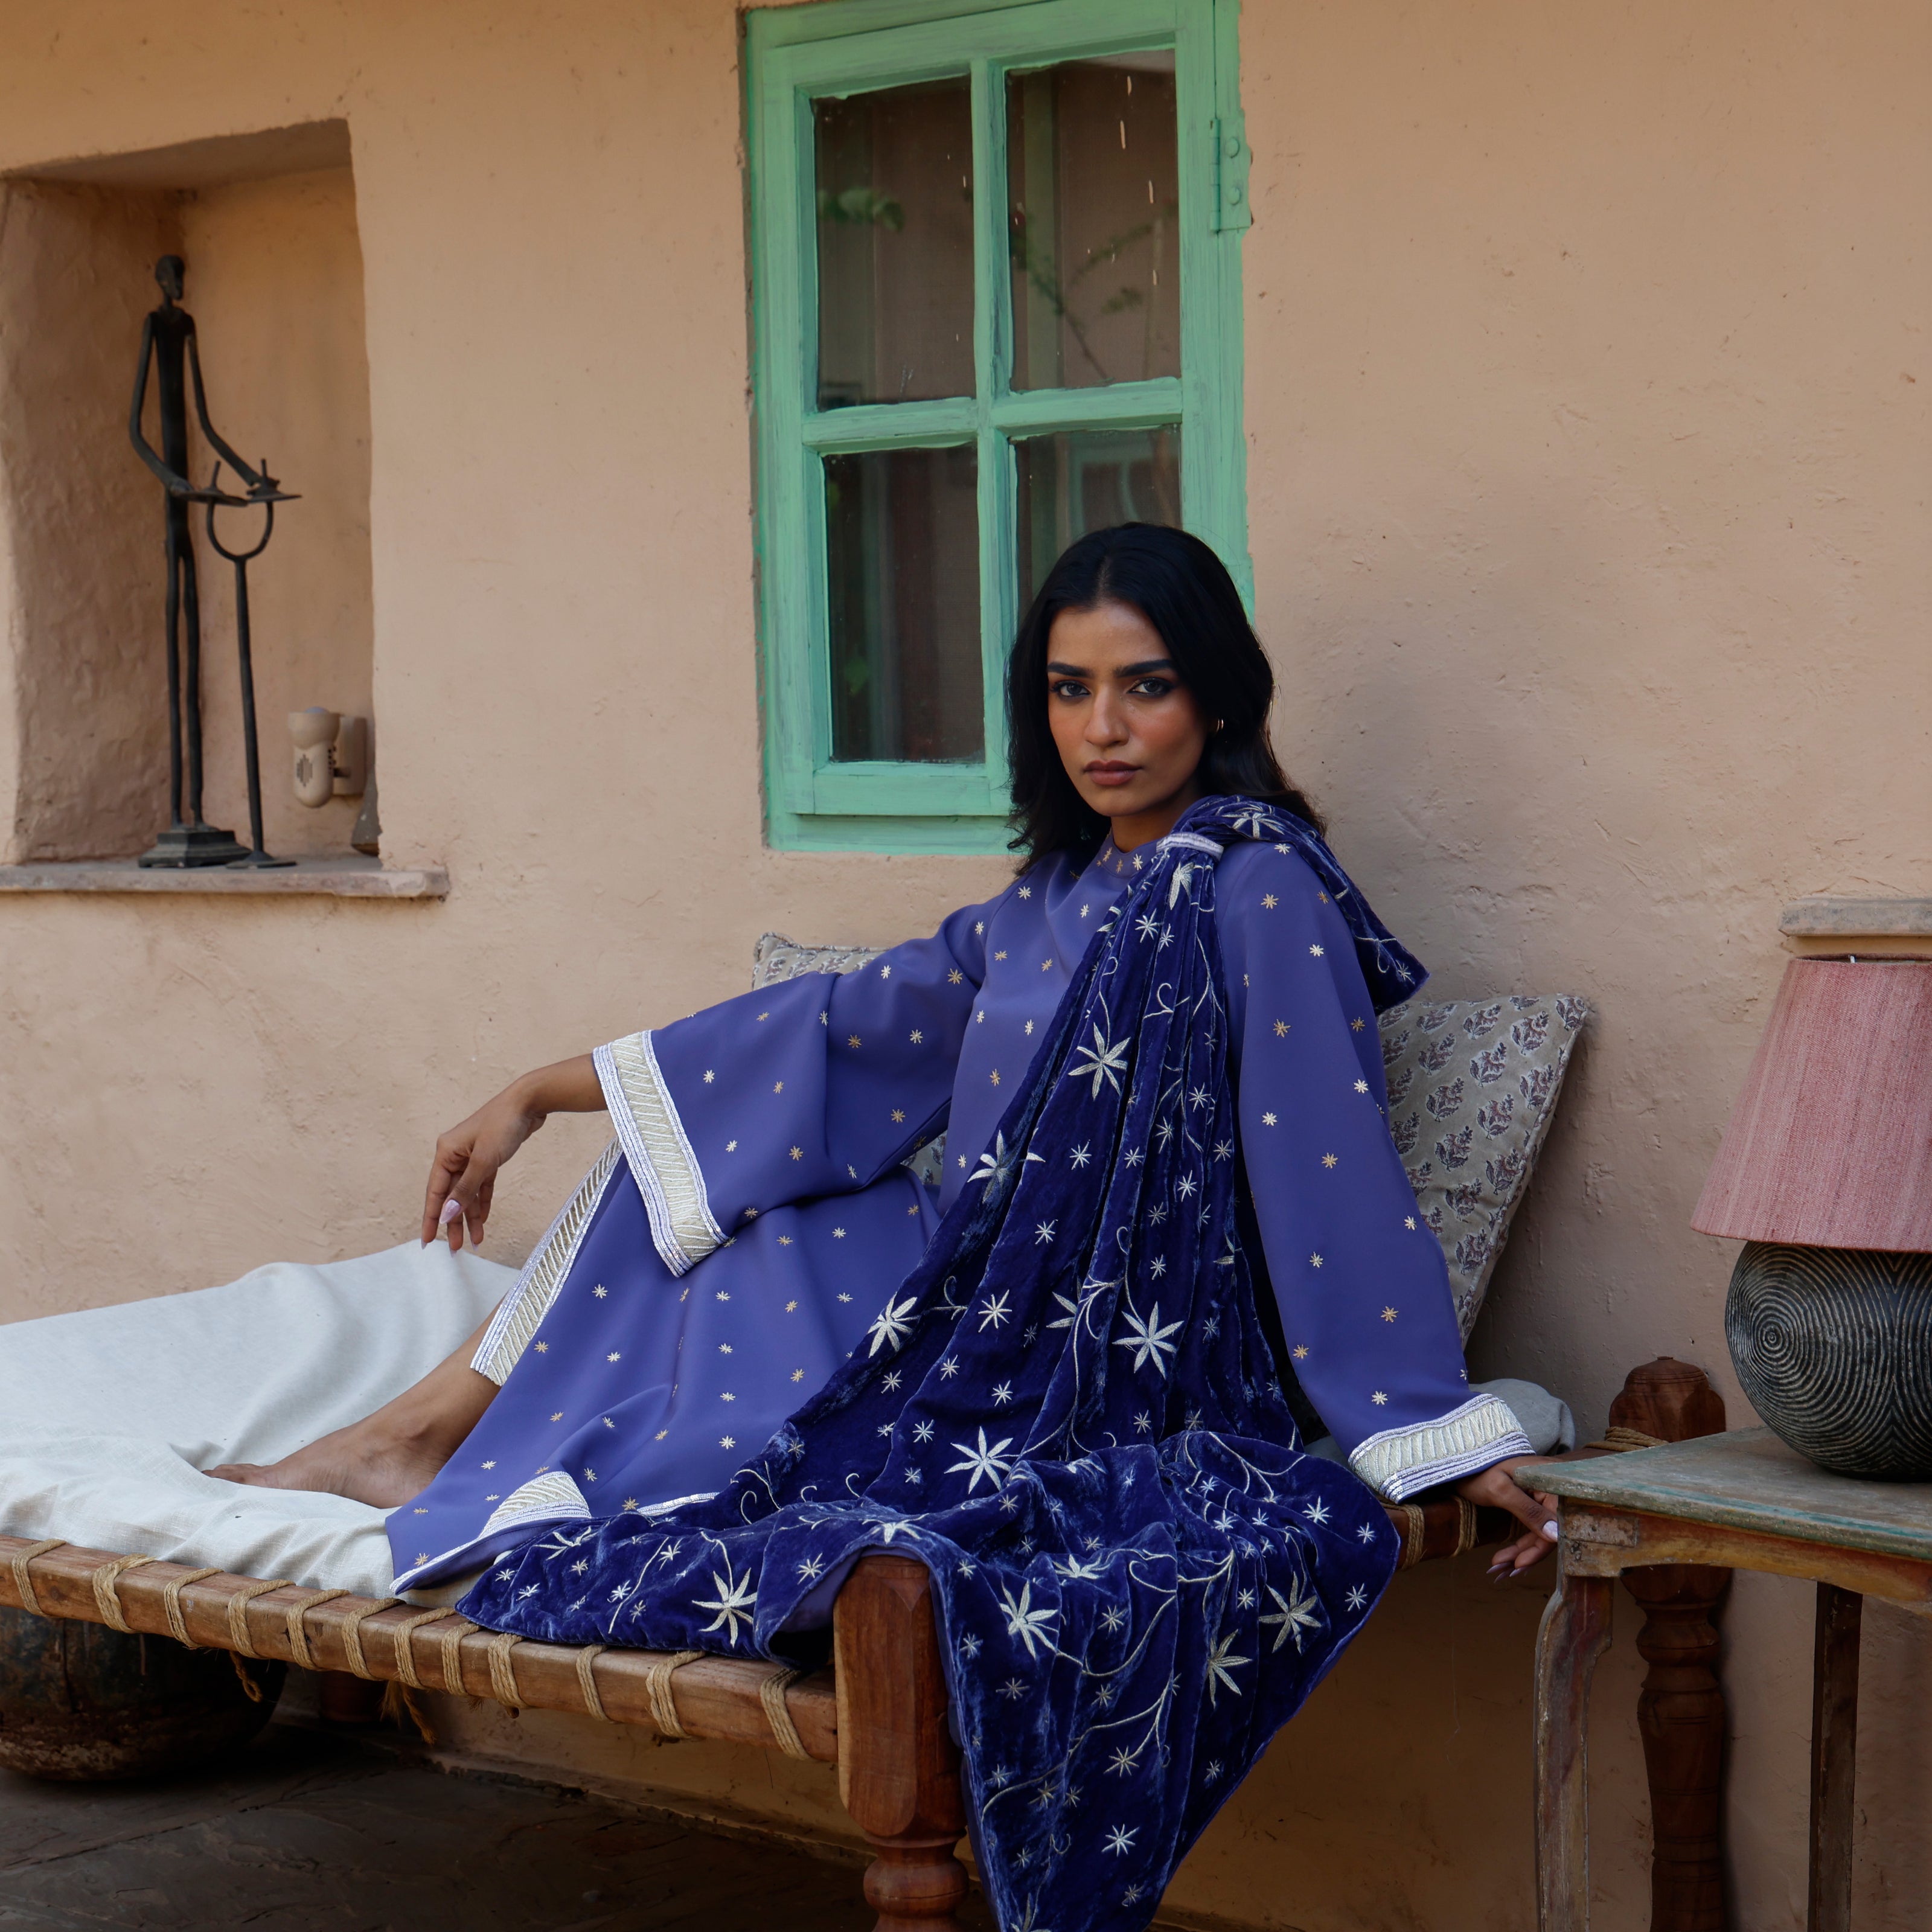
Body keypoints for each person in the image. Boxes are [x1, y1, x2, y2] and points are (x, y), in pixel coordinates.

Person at [213, 523, 1557, 1594]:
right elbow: (829, 1032)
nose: (1102, 727)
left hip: (1101, 1344)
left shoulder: (1255, 886)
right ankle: (410, 1441)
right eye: (1070, 690)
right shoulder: (1048, 900)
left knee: (729, 1310)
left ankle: (425, 1446)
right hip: (962, 1277)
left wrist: (1429, 1432)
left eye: (1144, 686)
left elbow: (1328, 1166)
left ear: (1216, 698)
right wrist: (532, 1094)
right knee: (677, 1165)